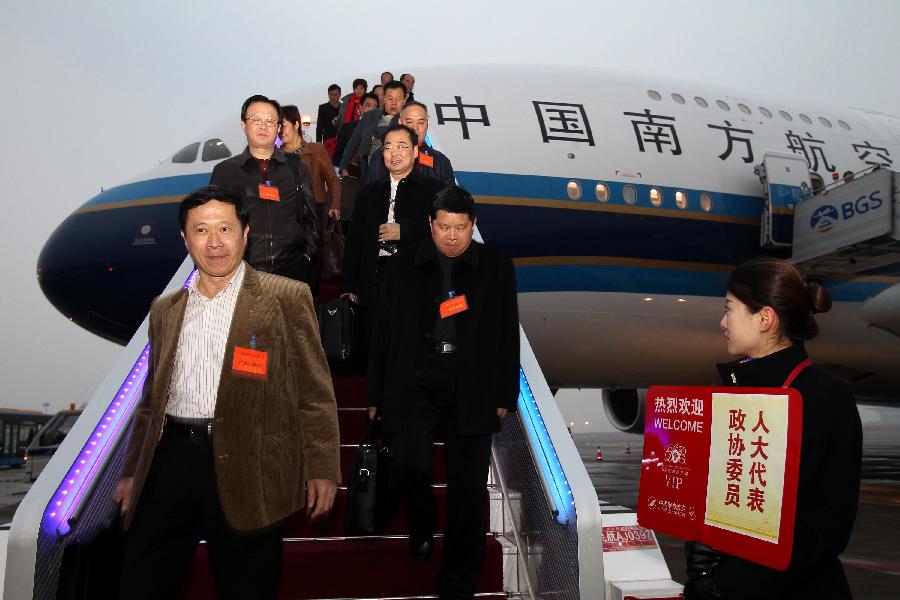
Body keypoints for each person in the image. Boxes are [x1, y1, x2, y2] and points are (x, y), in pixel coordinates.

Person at [113, 186, 340, 599]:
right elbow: (150, 401)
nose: (214, 242)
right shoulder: (165, 309)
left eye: (225, 228)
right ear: (185, 238)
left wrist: (322, 467)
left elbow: (314, 392)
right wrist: (131, 471)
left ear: (245, 233)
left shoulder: (287, 298)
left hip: (250, 461)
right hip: (171, 461)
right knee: (140, 580)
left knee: (247, 584)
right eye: (201, 230)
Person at [368, 184, 519, 599]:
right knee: (411, 466)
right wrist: (376, 394)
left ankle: (458, 583)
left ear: (473, 226)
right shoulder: (402, 267)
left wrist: (505, 393)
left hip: (471, 385)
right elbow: (382, 334)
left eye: (461, 228)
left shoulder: (496, 267)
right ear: (431, 226)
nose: (452, 236)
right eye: (444, 227)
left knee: (468, 491)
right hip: (416, 379)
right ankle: (421, 520)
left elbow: (507, 333)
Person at [684, 258, 862, 600]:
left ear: (765, 318)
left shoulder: (825, 397)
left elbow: (825, 527)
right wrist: (703, 549)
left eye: (730, 309)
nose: (723, 322)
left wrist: (731, 582)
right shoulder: (735, 396)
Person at [341, 124, 444, 354]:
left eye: (401, 146)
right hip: (375, 279)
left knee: (412, 353)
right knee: (376, 353)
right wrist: (349, 285)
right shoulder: (369, 192)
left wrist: (405, 232)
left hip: (416, 282)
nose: (394, 153)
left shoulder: (434, 191)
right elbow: (354, 241)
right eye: (388, 147)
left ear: (415, 151)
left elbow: (445, 236)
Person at [209, 94, 319, 284]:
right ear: (244, 125)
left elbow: (311, 217)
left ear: (278, 128)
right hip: (242, 274)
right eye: (256, 120)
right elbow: (213, 223)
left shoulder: (295, 167)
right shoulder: (225, 171)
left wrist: (306, 256)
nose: (263, 126)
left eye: (270, 121)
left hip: (291, 273)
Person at [363, 101, 455, 186]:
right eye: (409, 122)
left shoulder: (440, 161)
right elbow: (368, 194)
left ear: (427, 124)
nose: (414, 127)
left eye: (420, 122)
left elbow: (448, 199)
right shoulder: (381, 156)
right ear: (400, 122)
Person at [282, 104, 342, 225]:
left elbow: (332, 179)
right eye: (277, 127)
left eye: (283, 126)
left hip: (315, 210)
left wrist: (335, 205)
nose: (280, 131)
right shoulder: (276, 155)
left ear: (296, 124)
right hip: (286, 213)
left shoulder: (316, 149)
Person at [339, 80, 407, 180]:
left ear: (405, 100)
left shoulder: (407, 121)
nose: (394, 103)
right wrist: (343, 167)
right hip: (367, 171)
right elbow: (353, 142)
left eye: (398, 99)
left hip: (394, 175)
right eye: (390, 98)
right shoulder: (370, 116)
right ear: (384, 98)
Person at [332, 92, 379, 173]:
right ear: (361, 107)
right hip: (349, 172)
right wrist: (340, 170)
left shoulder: (380, 128)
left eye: (375, 107)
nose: (371, 109)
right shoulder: (347, 127)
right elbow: (339, 152)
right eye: (368, 105)